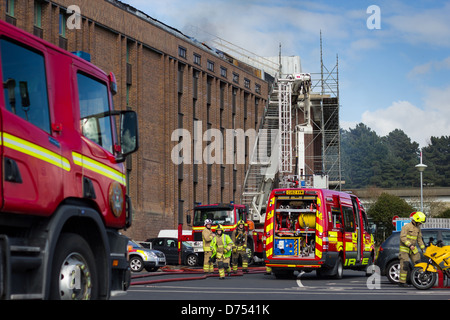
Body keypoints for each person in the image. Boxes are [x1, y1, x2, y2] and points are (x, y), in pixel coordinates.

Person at [398, 211, 426, 287]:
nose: (420, 224)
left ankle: (422, 280)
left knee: (419, 263)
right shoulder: (406, 227)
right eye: (420, 222)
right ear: (415, 220)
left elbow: (419, 240)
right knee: (405, 264)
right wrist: (409, 245)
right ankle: (402, 282)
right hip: (405, 248)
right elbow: (402, 237)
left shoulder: (418, 229)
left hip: (413, 248)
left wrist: (423, 249)